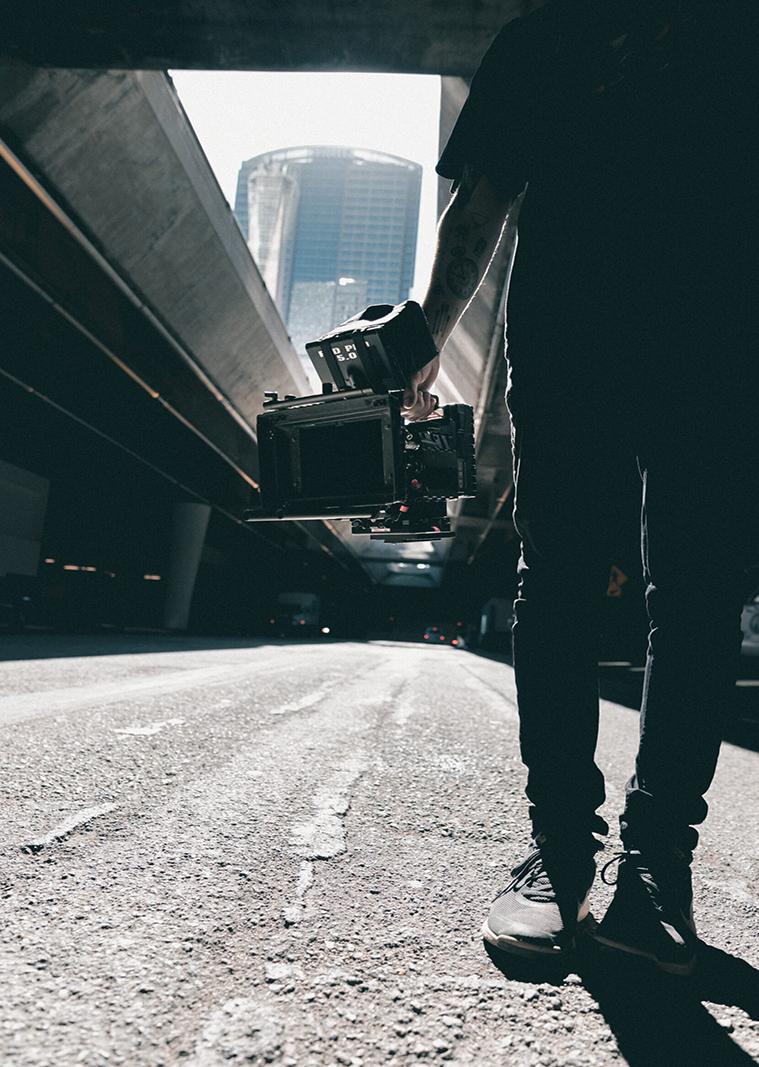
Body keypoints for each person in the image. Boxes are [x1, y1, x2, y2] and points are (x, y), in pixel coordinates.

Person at [402, 0, 759, 975]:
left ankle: (656, 868)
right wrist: (428, 334)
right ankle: (561, 851)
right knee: (560, 580)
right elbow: (483, 197)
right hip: (569, 340)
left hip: (723, 344)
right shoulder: (545, 36)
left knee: (695, 594)